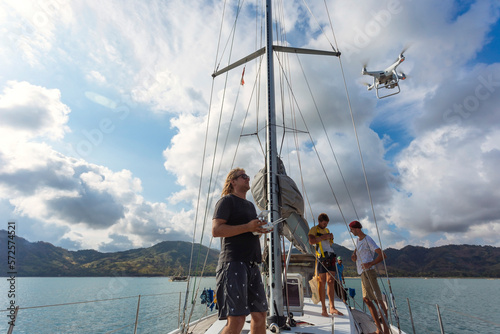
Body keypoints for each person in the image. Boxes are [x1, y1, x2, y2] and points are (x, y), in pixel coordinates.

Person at [212, 168, 271, 334]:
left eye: (248, 176)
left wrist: (259, 230)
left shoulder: (250, 206)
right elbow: (216, 230)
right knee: (237, 319)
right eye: (243, 176)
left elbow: (248, 233)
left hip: (252, 264)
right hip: (233, 263)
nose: (248, 178)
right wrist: (247, 226)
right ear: (233, 181)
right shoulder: (226, 201)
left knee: (260, 315)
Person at [349, 220, 389, 334]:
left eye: (351, 229)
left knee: (378, 301)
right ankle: (379, 329)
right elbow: (355, 253)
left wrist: (370, 263)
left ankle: (384, 331)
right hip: (363, 274)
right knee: (367, 299)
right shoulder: (358, 240)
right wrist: (354, 256)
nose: (351, 231)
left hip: (369, 273)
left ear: (357, 229)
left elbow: (382, 255)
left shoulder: (368, 240)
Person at [308, 213, 343, 317]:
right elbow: (311, 241)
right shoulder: (314, 229)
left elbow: (329, 244)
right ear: (319, 222)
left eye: (326, 224)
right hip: (321, 257)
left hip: (330, 255)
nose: (325, 226)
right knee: (322, 282)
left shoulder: (327, 230)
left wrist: (330, 237)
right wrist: (324, 237)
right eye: (324, 224)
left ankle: (332, 307)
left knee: (331, 281)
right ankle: (323, 309)